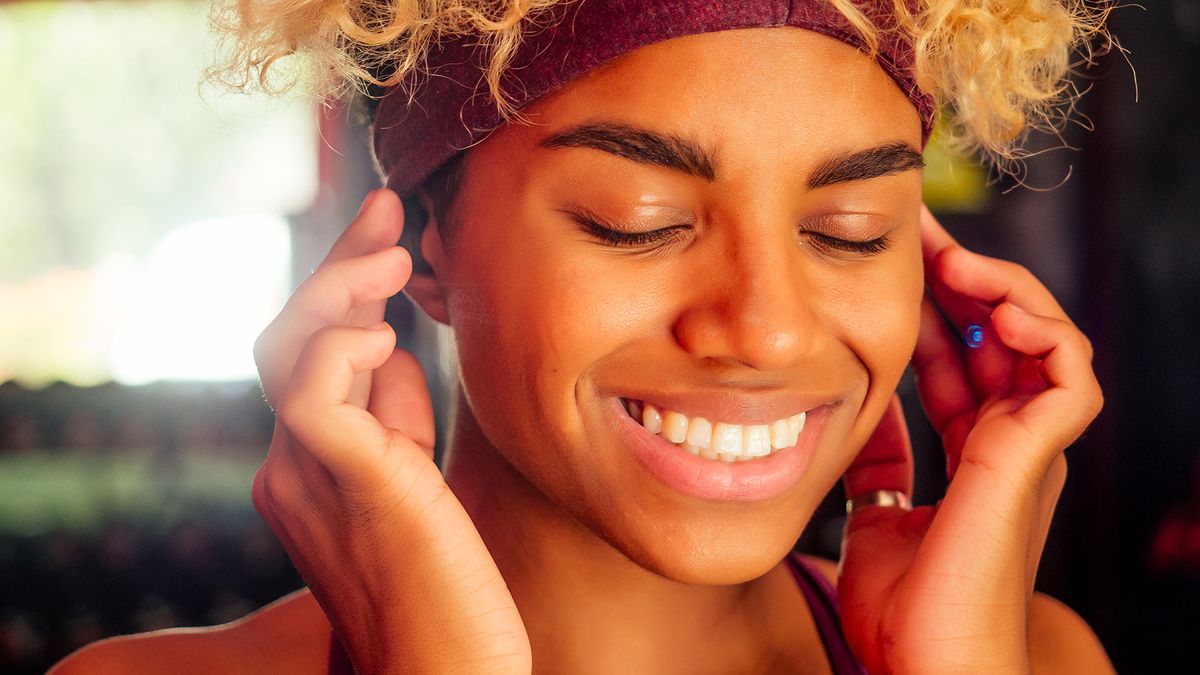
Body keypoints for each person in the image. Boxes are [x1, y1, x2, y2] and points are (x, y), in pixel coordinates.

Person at [53, 0, 1116, 672]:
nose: (767, 328)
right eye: (635, 220)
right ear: (423, 244)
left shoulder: (1035, 661)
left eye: (851, 231)